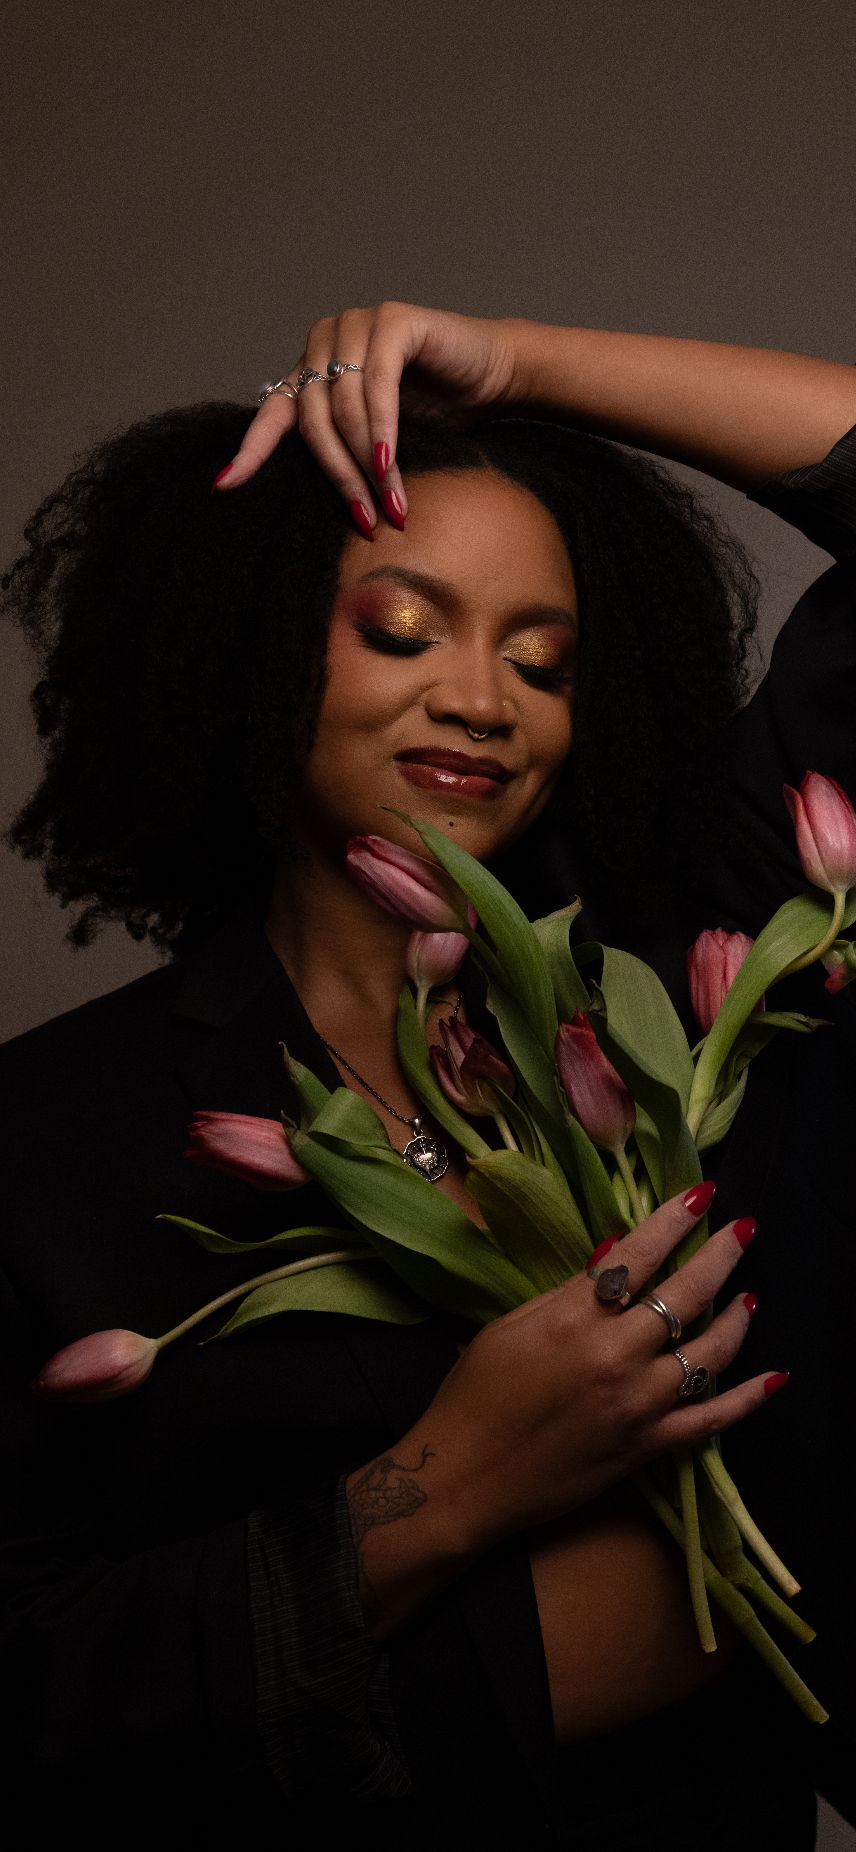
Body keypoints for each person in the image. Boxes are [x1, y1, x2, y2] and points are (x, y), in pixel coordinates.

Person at [2, 304, 855, 1848]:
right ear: (254, 647)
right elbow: (43, 1678)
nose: (481, 698)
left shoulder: (670, 984)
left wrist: (521, 364)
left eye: (544, 661)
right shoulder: (50, 1135)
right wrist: (453, 1480)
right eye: (401, 630)